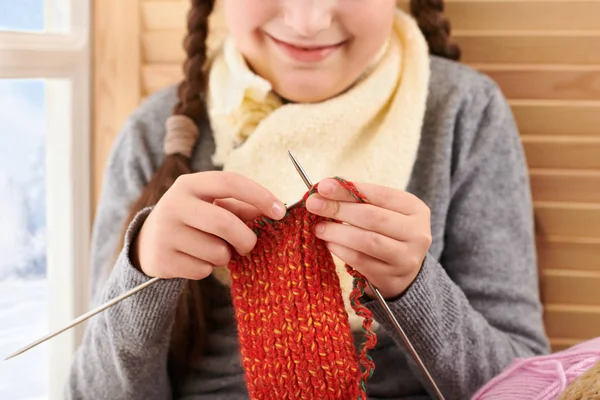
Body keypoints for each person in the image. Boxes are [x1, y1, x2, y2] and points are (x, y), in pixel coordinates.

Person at [67, 0, 550, 398]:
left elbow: (531, 386)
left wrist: (413, 287)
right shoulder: (157, 133)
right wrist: (145, 271)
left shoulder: (462, 114)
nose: (308, 20)